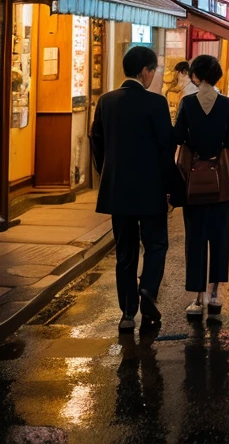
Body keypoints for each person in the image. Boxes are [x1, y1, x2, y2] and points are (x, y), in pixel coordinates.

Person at [90, 45, 174, 333]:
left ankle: (127, 313)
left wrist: (107, 172)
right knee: (156, 244)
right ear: (144, 71)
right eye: (153, 71)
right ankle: (148, 289)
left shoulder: (106, 101)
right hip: (150, 189)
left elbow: (96, 140)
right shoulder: (156, 103)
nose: (154, 76)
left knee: (125, 252)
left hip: (118, 190)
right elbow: (166, 148)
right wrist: (171, 187)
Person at [174, 54, 229, 318]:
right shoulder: (227, 104)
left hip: (193, 178)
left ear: (195, 76)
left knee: (196, 237)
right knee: (220, 235)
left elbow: (178, 136)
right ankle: (215, 294)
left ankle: (197, 298)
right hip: (221, 177)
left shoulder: (187, 103)